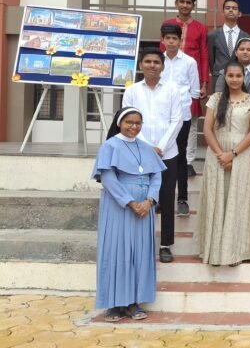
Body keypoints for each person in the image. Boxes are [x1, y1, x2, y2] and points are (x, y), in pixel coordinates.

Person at [93, 107, 166, 322]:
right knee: (117, 252)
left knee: (139, 254)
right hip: (120, 207)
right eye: (129, 122)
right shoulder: (110, 146)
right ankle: (114, 304)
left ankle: (134, 301)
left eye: (138, 123)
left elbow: (156, 177)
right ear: (119, 123)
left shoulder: (146, 148)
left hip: (145, 209)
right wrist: (131, 203)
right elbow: (108, 178)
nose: (134, 127)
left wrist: (149, 201)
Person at [198, 62, 250, 266]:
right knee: (217, 199)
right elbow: (207, 130)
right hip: (216, 153)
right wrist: (222, 155)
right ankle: (215, 251)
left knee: (239, 201)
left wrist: (233, 154)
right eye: (231, 75)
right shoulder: (215, 99)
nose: (234, 79)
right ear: (225, 77)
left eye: (238, 75)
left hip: (243, 155)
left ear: (244, 77)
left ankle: (236, 251)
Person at [122, 47, 183, 263]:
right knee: (140, 197)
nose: (152, 65)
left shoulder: (173, 90)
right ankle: (141, 243)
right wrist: (148, 147)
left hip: (168, 153)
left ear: (163, 66)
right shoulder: (131, 91)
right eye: (147, 62)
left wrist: (161, 146)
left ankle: (165, 244)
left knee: (166, 198)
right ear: (140, 65)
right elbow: (127, 121)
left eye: (156, 62)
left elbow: (177, 121)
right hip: (138, 153)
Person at [160, 0, 209, 178]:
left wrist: (204, 83)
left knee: (192, 124)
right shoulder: (167, 25)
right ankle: (166, 158)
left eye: (188, 2)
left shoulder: (200, 28)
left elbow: (203, 55)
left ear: (193, 6)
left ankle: (188, 161)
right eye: (182, 2)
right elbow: (160, 54)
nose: (185, 5)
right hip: (168, 81)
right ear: (176, 3)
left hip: (190, 81)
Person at [159, 23, 200, 218]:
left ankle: (182, 199)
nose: (171, 42)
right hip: (161, 117)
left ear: (180, 41)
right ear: (163, 40)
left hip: (182, 116)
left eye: (174, 38)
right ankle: (161, 198)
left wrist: (181, 107)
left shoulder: (189, 62)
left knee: (181, 157)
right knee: (161, 155)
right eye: (168, 38)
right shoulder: (158, 61)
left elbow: (195, 91)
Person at [208, 0, 250, 81]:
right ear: (223, 13)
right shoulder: (212, 35)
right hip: (218, 77)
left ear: (239, 14)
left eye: (234, 8)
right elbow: (211, 59)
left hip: (239, 78)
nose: (231, 10)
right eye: (227, 8)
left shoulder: (247, 37)